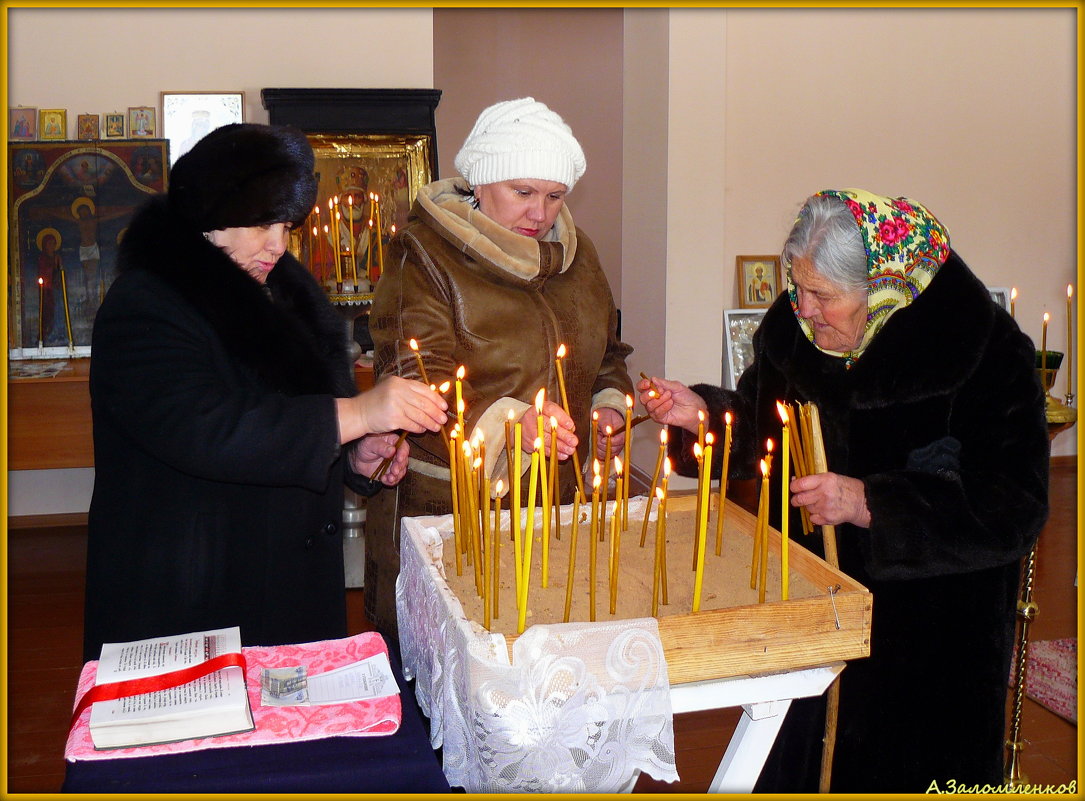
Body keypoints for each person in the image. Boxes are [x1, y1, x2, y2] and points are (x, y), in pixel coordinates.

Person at [639, 189, 1049, 792]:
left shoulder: (982, 351)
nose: (803, 310)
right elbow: (760, 428)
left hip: (928, 643)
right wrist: (705, 416)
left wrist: (870, 503)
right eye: (797, 289)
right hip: (811, 612)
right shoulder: (795, 331)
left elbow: (1014, 504)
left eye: (823, 297)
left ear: (881, 287)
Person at [83, 123, 448, 662]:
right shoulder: (145, 305)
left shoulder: (280, 291)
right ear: (209, 211)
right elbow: (206, 429)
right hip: (189, 601)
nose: (277, 245)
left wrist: (354, 452)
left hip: (285, 593)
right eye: (260, 224)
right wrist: (353, 413)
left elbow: (293, 408)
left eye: (284, 224)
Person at [367, 97, 634, 646]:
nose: (541, 214)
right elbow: (416, 380)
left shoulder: (578, 259)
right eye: (523, 193)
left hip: (556, 505)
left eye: (555, 196)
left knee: (549, 674)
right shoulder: (423, 254)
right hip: (452, 512)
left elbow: (606, 355)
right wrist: (510, 422)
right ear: (481, 182)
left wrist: (608, 409)